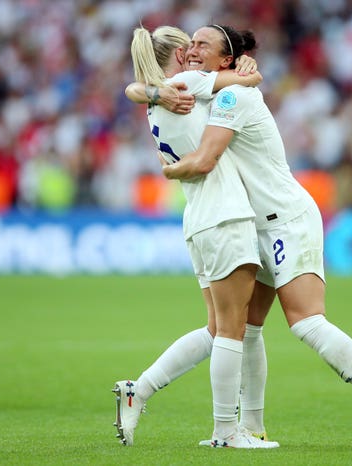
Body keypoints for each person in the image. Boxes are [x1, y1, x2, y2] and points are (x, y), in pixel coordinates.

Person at [131, 24, 352, 450]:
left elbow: (205, 158)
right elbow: (143, 87)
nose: (192, 49)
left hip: (287, 219)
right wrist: (151, 92)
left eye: (202, 44)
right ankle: (254, 427)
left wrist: (169, 170)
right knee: (245, 329)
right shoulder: (209, 88)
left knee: (306, 321)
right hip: (254, 222)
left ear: (227, 59)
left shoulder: (231, 95)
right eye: (190, 44)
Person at [114, 24, 278, 449]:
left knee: (216, 327)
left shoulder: (159, 97)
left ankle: (140, 390)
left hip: (200, 219)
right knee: (232, 330)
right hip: (225, 216)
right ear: (181, 53)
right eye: (191, 46)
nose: (195, 53)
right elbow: (247, 80)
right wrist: (246, 64)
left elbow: (137, 89)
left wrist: (144, 89)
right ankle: (226, 432)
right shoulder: (184, 83)